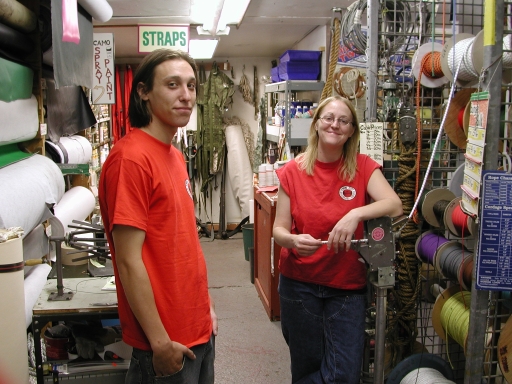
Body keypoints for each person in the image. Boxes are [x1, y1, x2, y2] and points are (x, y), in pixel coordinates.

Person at [98, 48, 217, 384]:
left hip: (197, 329)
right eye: (173, 84)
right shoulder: (131, 160)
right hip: (165, 341)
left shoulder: (175, 156)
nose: (186, 96)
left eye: (191, 86)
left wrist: (205, 309)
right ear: (143, 92)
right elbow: (128, 262)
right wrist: (160, 342)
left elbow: (184, 244)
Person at [273, 95, 403, 384]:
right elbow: (279, 231)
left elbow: (394, 204)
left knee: (344, 374)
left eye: (344, 120)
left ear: (352, 130)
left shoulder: (362, 166)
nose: (335, 125)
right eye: (328, 118)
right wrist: (293, 241)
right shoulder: (292, 171)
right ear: (316, 124)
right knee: (306, 366)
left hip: (345, 286)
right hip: (300, 284)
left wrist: (356, 213)